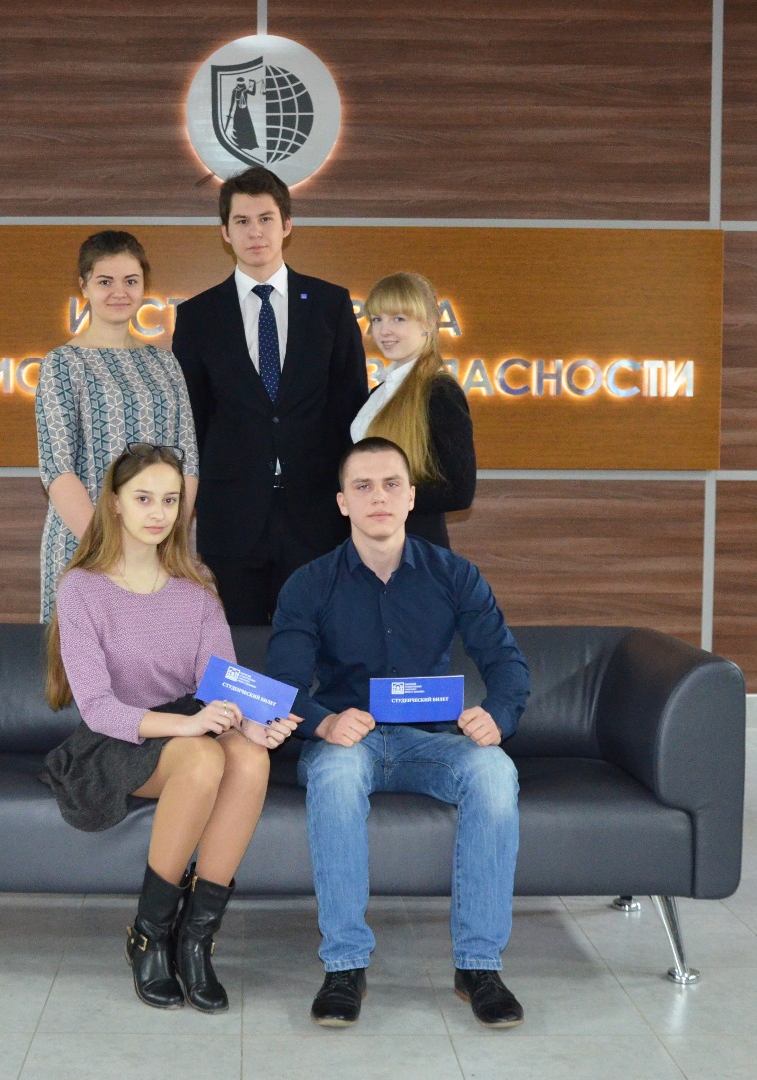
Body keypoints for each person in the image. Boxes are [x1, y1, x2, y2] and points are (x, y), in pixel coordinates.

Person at [265, 437, 532, 1029]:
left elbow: (507, 664)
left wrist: (497, 715)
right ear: (343, 502)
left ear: (411, 497)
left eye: (391, 485)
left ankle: (478, 966)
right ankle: (344, 966)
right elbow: (282, 685)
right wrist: (324, 721)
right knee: (335, 778)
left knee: (495, 771)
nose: (378, 497)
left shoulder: (455, 575)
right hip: (346, 743)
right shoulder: (310, 583)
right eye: (362, 486)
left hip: (430, 742)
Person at [40, 444, 299, 1012]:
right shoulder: (81, 587)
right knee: (203, 756)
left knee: (251, 757)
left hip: (190, 723)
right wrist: (193, 726)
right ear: (114, 504)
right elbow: (97, 708)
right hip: (115, 739)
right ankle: (149, 936)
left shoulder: (196, 582)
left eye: (170, 500)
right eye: (143, 498)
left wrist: (251, 726)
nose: (158, 513)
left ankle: (196, 939)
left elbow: (219, 682)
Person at [173, 166, 368, 626]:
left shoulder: (330, 305)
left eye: (265, 219)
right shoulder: (198, 316)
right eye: (242, 221)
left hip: (317, 517)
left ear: (287, 225)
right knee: (232, 651)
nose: (255, 232)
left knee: (313, 645)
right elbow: (192, 422)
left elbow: (350, 412)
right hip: (231, 519)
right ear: (225, 232)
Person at [35, 230, 199, 622]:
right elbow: (58, 469)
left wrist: (163, 541)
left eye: (130, 281)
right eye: (105, 281)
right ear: (84, 286)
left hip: (159, 551)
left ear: (144, 286)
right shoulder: (63, 363)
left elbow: (188, 461)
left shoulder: (165, 363)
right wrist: (113, 550)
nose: (119, 292)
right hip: (86, 547)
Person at [352, 272, 476, 548]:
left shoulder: (440, 392)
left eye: (398, 319)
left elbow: (459, 491)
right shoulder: (380, 392)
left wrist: (380, 497)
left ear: (429, 323)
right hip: (371, 547)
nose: (384, 331)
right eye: (377, 319)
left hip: (416, 550)